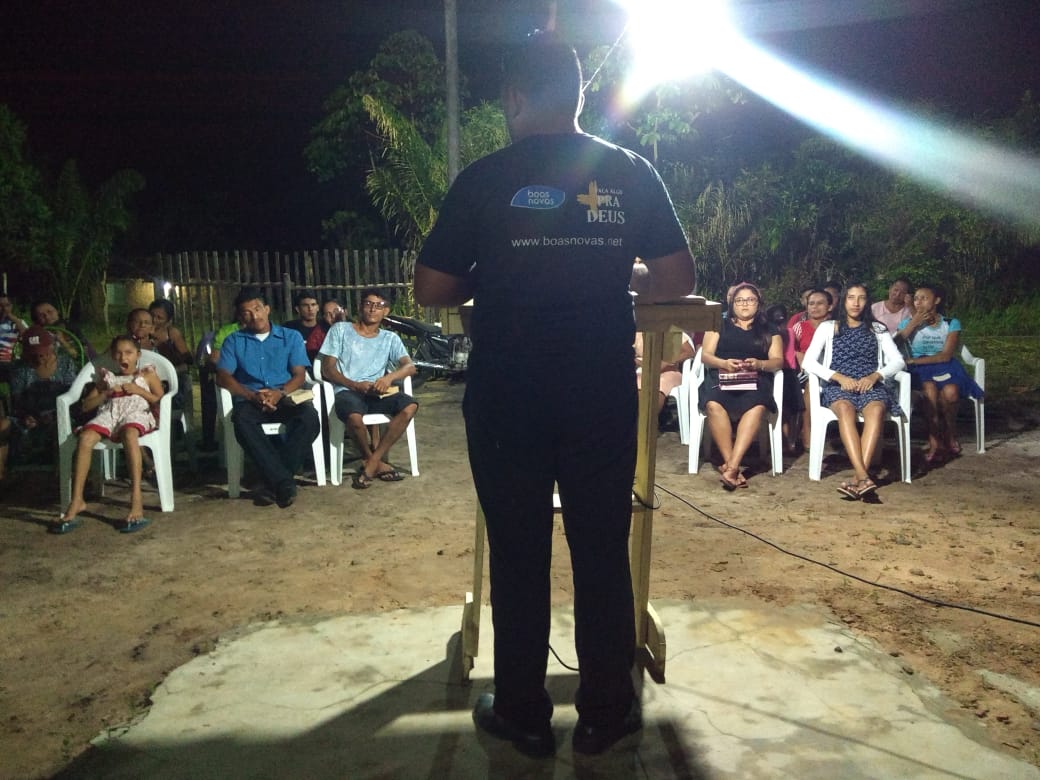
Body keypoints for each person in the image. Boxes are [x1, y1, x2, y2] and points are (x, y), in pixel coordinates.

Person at [413, 31, 696, 758]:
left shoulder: (483, 177)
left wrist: (498, 276)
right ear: (577, 95)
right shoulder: (629, 171)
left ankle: (523, 713)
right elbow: (674, 281)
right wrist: (615, 273)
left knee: (517, 549)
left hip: (509, 395)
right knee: (602, 547)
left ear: (512, 97)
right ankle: (606, 711)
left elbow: (434, 287)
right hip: (599, 392)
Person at [215, 287, 319, 508]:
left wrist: (279, 393)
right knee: (241, 421)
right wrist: (251, 396)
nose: (254, 316)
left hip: (284, 396)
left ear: (267, 309)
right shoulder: (234, 341)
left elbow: (299, 374)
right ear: (240, 316)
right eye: (246, 312)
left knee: (310, 418)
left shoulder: (290, 337)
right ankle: (283, 481)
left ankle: (271, 481)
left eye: (258, 309)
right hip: (251, 399)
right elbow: (223, 376)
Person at [802, 283, 905, 499]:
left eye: (861, 298)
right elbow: (809, 362)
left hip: (870, 383)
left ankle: (860, 479)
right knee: (845, 409)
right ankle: (863, 476)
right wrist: (838, 377)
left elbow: (898, 361)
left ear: (867, 302)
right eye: (851, 297)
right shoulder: (829, 327)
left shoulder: (877, 329)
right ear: (843, 301)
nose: (856, 303)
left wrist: (875, 376)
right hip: (840, 384)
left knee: (876, 410)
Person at [54, 335, 164, 534]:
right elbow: (86, 405)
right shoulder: (107, 378)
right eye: (119, 353)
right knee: (86, 437)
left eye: (129, 353)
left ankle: (136, 499)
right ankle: (77, 499)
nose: (124, 357)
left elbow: (158, 399)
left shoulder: (146, 375)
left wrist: (138, 390)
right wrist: (105, 394)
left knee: (130, 434)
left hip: (136, 415)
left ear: (137, 355)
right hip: (109, 415)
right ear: (113, 356)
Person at [319, 288, 417, 488]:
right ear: (360, 307)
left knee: (410, 406)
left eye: (379, 305)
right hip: (348, 390)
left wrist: (389, 378)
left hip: (377, 392)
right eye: (368, 304)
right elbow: (327, 369)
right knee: (354, 417)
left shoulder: (390, 338)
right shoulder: (340, 330)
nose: (373, 309)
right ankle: (373, 460)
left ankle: (372, 462)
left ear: (386, 311)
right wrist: (354, 384)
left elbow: (410, 366)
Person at [699, 283, 783, 490]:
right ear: (732, 303)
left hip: (755, 379)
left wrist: (759, 363)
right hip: (722, 375)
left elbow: (778, 361)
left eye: (750, 300)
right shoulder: (719, 323)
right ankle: (733, 466)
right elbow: (705, 355)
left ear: (759, 304)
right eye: (740, 300)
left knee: (757, 405)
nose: (745, 304)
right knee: (713, 403)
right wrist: (724, 364)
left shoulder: (769, 329)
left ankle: (731, 466)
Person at [895, 282, 982, 464]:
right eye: (916, 298)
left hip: (944, 366)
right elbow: (895, 344)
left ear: (936, 301)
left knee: (951, 393)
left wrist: (912, 360)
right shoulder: (907, 323)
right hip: (920, 371)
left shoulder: (951, 323)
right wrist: (913, 323)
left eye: (924, 298)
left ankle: (950, 433)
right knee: (929, 390)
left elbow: (945, 355)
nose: (918, 303)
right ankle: (934, 439)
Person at [0, 326, 78, 480]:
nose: (39, 357)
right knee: (2, 426)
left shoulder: (65, 364)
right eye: (33, 354)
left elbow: (73, 395)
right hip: (28, 416)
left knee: (62, 428)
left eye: (43, 352)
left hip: (60, 415)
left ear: (51, 347)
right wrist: (27, 416)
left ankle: (62, 477)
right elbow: (17, 399)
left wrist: (53, 414)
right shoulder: (20, 368)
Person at [792, 289, 833, 449]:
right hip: (806, 372)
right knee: (811, 384)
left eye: (820, 303)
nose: (815, 307)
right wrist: (799, 355)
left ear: (830, 306)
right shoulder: (799, 327)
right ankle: (807, 432)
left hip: (832, 371)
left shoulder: (836, 326)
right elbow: (789, 350)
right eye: (811, 304)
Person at [765, 303, 804, 454]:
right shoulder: (783, 332)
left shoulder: (776, 333)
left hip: (785, 374)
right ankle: (789, 442)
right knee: (789, 411)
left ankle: (786, 442)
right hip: (784, 374)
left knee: (787, 411)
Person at [633, 329, 695, 418]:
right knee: (638, 381)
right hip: (644, 369)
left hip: (669, 370)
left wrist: (665, 362)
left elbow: (689, 352)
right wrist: (643, 363)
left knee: (659, 383)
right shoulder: (638, 333)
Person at [148, 299, 193, 410]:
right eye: (152, 316)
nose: (154, 320)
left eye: (160, 318)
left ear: (168, 320)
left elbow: (188, 360)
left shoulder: (172, 334)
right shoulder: (142, 331)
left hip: (171, 375)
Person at [30, 299, 97, 360]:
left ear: (57, 311)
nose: (47, 316)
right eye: (41, 315)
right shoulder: (36, 335)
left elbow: (81, 356)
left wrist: (62, 340)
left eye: (49, 312)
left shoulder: (72, 329)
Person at [284, 289, 329, 363]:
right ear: (298, 309)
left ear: (318, 308)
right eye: (305, 305)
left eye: (313, 305)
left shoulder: (326, 327)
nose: (310, 309)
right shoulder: (289, 329)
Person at [0, 293, 29, 388]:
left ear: (11, 306)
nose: (4, 308)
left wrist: (16, 320)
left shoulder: (17, 323)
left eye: (7, 305)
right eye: (0, 305)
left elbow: (28, 338)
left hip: (6, 361)